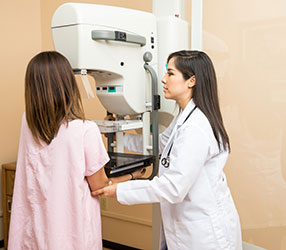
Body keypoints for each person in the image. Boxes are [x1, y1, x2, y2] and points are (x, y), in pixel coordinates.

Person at [92, 50, 242, 250]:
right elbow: (163, 143)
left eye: (170, 73)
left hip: (204, 234)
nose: (163, 79)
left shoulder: (195, 127)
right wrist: (118, 135)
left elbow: (173, 188)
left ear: (191, 81)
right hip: (187, 225)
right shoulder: (185, 116)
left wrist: (120, 189)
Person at [8, 51, 145, 250]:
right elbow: (100, 186)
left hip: (37, 225)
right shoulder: (85, 130)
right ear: (66, 85)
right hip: (71, 231)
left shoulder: (27, 122)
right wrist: (133, 175)